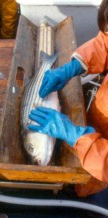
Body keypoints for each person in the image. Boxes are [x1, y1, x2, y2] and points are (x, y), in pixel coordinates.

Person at [28, 0, 108, 197]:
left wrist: (77, 137)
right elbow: (104, 45)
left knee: (89, 183)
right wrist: (75, 65)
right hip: (97, 123)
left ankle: (83, 195)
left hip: (101, 162)